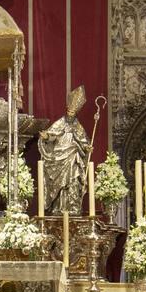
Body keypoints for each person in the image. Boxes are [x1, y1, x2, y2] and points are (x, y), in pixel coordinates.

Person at [39, 85, 90, 214]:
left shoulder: (77, 125)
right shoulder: (61, 122)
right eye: (69, 112)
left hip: (72, 155)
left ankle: (72, 206)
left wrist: (86, 147)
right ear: (66, 111)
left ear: (75, 113)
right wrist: (47, 136)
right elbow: (52, 133)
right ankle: (58, 206)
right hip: (59, 155)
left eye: (73, 112)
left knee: (73, 180)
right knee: (60, 182)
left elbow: (82, 139)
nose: (70, 114)